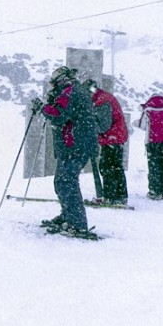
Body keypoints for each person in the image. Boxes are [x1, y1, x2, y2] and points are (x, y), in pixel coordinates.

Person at [31, 66, 99, 238]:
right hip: (77, 143)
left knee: (67, 181)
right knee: (63, 181)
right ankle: (69, 216)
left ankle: (77, 222)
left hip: (75, 143)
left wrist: (43, 108)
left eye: (53, 82)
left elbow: (60, 115)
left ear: (60, 80)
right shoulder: (73, 91)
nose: (52, 85)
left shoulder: (69, 92)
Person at [83, 79, 129, 205]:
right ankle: (119, 196)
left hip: (112, 137)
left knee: (108, 167)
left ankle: (111, 196)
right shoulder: (103, 98)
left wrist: (89, 126)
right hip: (115, 137)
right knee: (115, 167)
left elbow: (104, 125)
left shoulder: (102, 101)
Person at [133, 94, 163, 200]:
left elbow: (142, 126)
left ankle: (155, 192)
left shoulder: (147, 109)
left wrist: (137, 123)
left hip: (152, 141)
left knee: (154, 167)